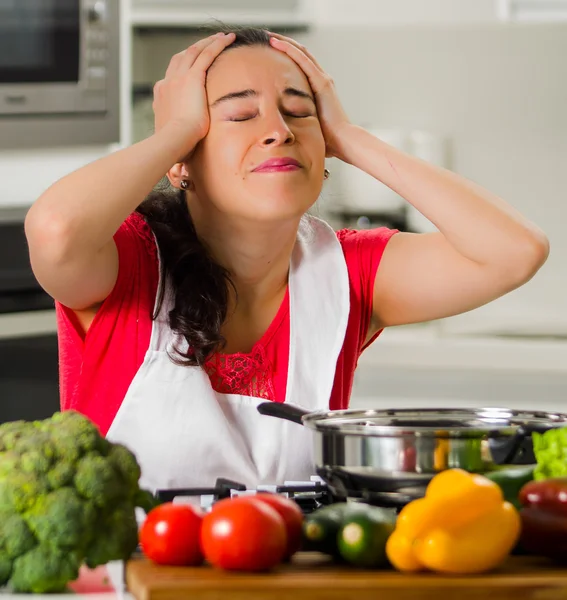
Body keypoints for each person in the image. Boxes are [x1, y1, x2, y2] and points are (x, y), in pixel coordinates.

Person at [25, 28, 549, 492]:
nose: (280, 129)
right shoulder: (131, 262)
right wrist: (172, 135)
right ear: (181, 160)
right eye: (239, 114)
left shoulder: (349, 272)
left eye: (299, 111)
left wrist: (351, 137)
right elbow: (55, 231)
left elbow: (514, 253)